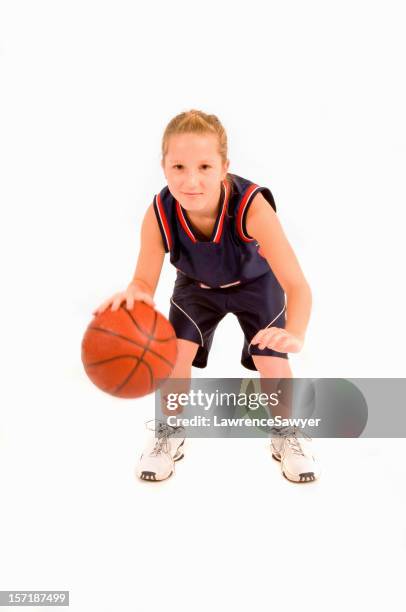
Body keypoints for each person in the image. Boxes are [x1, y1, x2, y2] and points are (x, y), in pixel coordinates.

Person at [93, 109, 320, 484]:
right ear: (164, 166)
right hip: (196, 288)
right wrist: (133, 294)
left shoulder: (252, 207)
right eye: (178, 166)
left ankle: (286, 436)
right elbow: (144, 282)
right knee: (174, 355)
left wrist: (294, 332)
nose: (191, 180)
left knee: (272, 362)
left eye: (204, 166)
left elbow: (297, 285)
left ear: (224, 167)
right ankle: (169, 433)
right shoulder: (159, 212)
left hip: (256, 286)